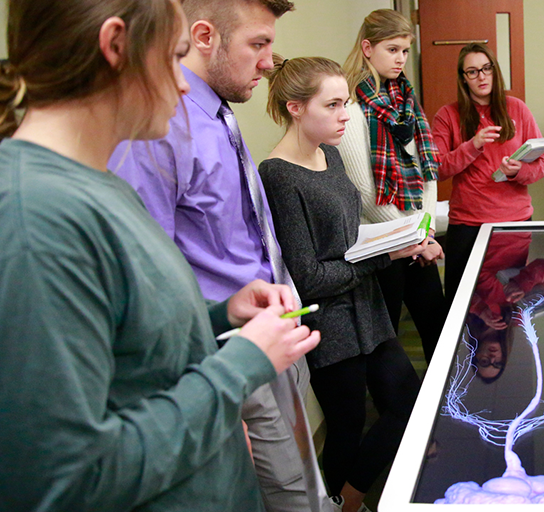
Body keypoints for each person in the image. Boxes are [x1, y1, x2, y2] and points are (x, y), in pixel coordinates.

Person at [0, 1, 320, 511]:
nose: (186, 84)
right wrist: (238, 369)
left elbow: (130, 341)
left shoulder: (100, 185)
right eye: (174, 57)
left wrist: (224, 312)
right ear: (116, 46)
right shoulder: (34, 218)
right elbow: (62, 480)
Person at [107, 1, 325, 510]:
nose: (271, 63)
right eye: (258, 44)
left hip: (263, 329)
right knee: (288, 494)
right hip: (222, 355)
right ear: (205, 36)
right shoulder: (162, 128)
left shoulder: (219, 113)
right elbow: (148, 282)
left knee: (304, 484)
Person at [258, 55, 422, 512]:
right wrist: (381, 258)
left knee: (408, 403)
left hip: (366, 308)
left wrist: (397, 240)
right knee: (346, 427)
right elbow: (308, 277)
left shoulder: (328, 154)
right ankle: (342, 503)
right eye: (331, 105)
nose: (344, 116)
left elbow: (348, 237)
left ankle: (347, 502)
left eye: (345, 103)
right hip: (329, 324)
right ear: (295, 108)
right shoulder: (276, 175)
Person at [337, 9, 447, 363]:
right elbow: (366, 192)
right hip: (383, 245)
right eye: (392, 49)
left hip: (417, 235)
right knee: (387, 343)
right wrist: (415, 237)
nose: (401, 58)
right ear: (367, 48)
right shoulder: (351, 106)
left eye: (404, 50)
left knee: (437, 329)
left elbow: (427, 173)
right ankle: (399, 414)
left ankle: (446, 408)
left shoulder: (406, 103)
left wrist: (425, 231)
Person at [432, 43, 544, 303]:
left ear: (495, 71)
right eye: (473, 72)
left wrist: (518, 171)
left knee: (507, 300)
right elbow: (438, 169)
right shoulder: (447, 115)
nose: (482, 76)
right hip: (467, 225)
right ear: (463, 78)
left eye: (486, 69)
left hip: (513, 226)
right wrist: (472, 146)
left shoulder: (517, 108)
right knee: (462, 303)